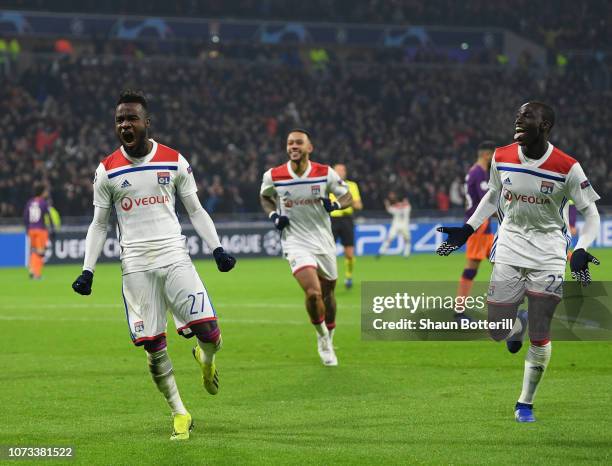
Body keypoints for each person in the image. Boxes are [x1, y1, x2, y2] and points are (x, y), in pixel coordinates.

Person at [71, 90, 236, 440]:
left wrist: (217, 248)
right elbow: (100, 224)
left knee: (211, 334)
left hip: (174, 258)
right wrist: (88, 270)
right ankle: (180, 412)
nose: (125, 125)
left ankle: (205, 360)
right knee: (153, 344)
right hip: (136, 267)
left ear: (147, 123)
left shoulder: (174, 161)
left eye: (131, 118)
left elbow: (195, 209)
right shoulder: (107, 171)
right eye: (119, 120)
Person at [436, 102, 601, 423]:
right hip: (510, 246)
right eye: (518, 114)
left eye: (528, 115)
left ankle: (525, 402)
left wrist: (581, 248)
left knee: (541, 332)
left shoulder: (567, 166)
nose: (519, 118)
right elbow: (492, 195)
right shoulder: (502, 155)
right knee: (498, 330)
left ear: (545, 125)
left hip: (549, 252)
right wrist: (468, 228)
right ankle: (517, 325)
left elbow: (591, 213)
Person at [260, 129, 352, 366]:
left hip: (323, 241)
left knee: (328, 292)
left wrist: (334, 204)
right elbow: (265, 196)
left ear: (309, 148)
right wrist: (273, 215)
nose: (293, 146)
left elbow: (347, 196)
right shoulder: (274, 175)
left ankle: (329, 335)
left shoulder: (324, 173)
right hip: (295, 241)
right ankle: (322, 337)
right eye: (290, 143)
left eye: (299, 143)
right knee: (313, 292)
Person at [454, 141, 496, 321]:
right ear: (487, 155)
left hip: (480, 226)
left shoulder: (475, 172)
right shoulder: (479, 173)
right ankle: (459, 311)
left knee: (500, 263)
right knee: (477, 267)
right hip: (479, 226)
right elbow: (485, 202)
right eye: (493, 155)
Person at [329, 163, 362, 289]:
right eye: (337, 170)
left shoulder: (352, 186)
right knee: (329, 253)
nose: (339, 173)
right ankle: (329, 278)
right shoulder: (328, 186)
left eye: (342, 170)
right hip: (331, 220)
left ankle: (348, 276)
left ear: (345, 172)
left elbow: (359, 205)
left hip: (346, 220)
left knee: (349, 253)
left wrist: (348, 198)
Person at [23, 185, 55, 279]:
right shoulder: (43, 202)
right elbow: (48, 216)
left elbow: (25, 216)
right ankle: (37, 274)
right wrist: (52, 228)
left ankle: (32, 271)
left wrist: (27, 228)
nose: (46, 193)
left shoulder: (30, 202)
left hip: (31, 229)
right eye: (45, 191)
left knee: (33, 251)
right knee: (40, 252)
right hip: (40, 229)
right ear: (42, 192)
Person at [377, 191, 411, 257]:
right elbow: (390, 209)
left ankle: (406, 254)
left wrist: (387, 204)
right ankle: (381, 252)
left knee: (405, 239)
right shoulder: (407, 207)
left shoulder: (399, 207)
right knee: (392, 238)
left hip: (400, 225)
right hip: (399, 225)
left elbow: (389, 209)